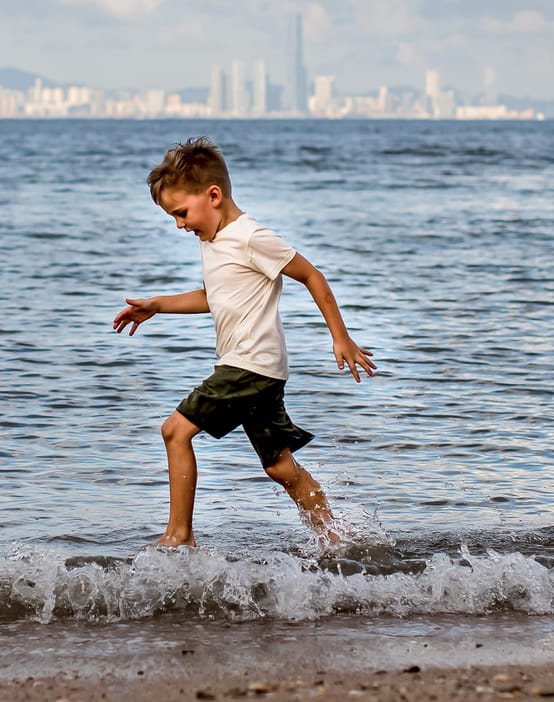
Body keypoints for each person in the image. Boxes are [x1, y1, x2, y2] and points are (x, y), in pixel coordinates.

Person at [112, 136, 377, 548]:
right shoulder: (213, 242)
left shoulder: (251, 237)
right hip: (261, 370)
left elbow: (312, 275)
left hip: (249, 366)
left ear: (213, 195)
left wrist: (340, 336)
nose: (180, 225)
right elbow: (211, 296)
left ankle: (179, 536)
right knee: (279, 467)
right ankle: (334, 539)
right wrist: (158, 305)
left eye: (181, 213)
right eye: (173, 218)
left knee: (175, 432)